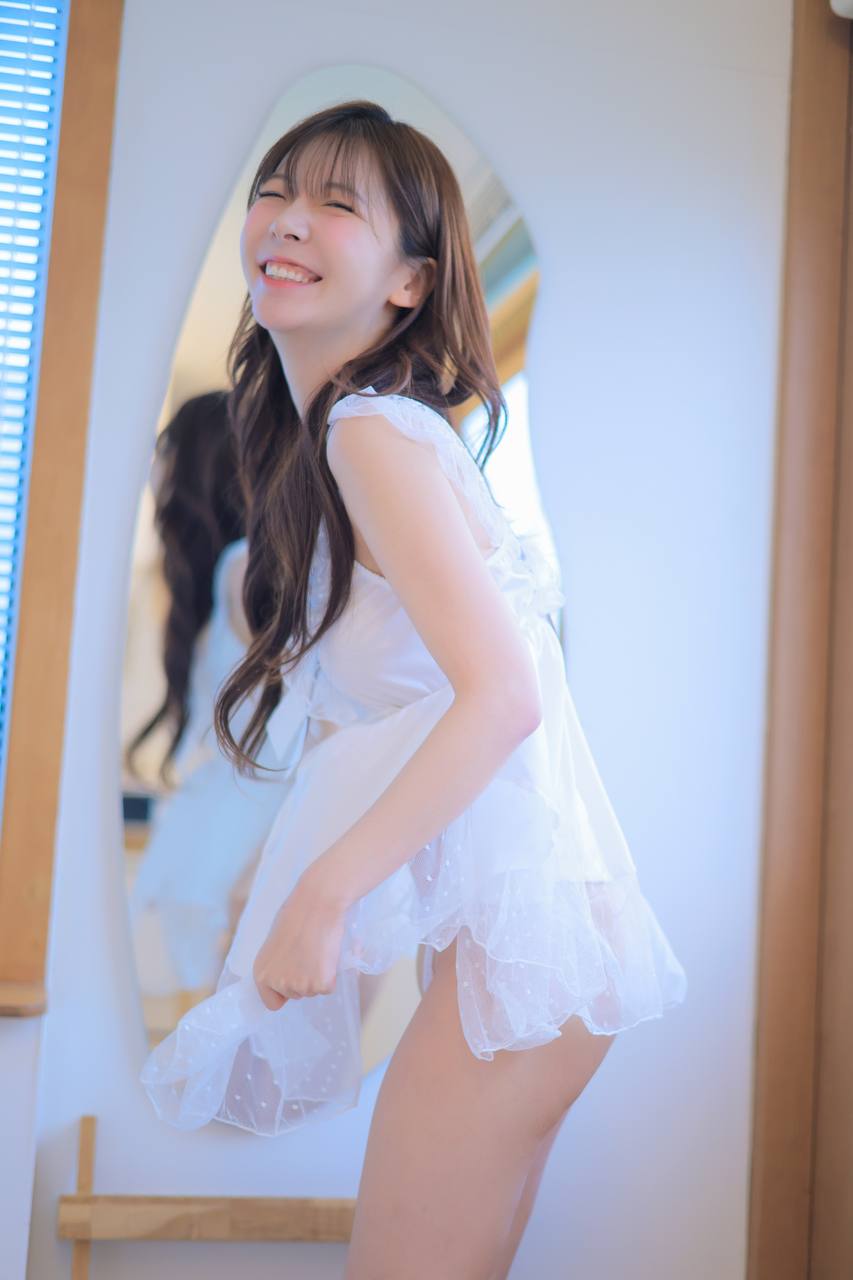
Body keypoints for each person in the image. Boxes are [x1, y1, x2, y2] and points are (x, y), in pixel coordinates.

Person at [140, 100, 688, 1278]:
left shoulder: (367, 434)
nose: (288, 219)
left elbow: (502, 697)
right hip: (538, 948)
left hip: (523, 959)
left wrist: (324, 894)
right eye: (276, 190)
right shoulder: (355, 438)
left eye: (336, 203)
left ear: (409, 282)